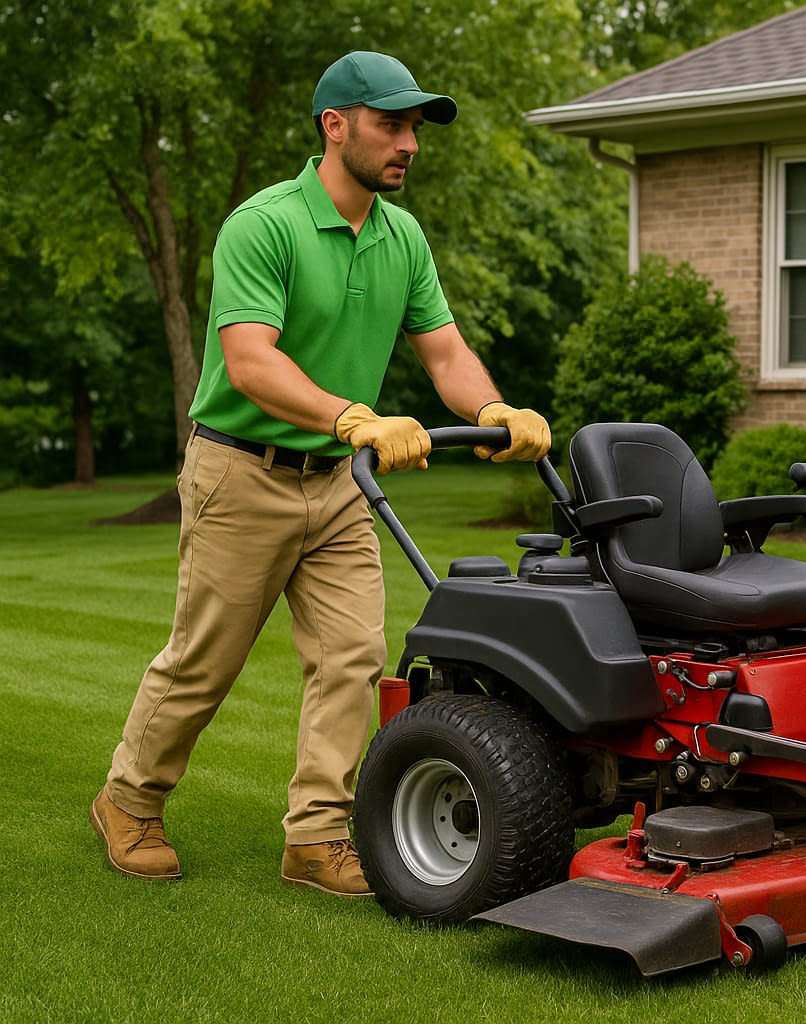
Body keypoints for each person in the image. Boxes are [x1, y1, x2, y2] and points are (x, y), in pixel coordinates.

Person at [89, 51, 550, 897]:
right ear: (335, 126)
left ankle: (317, 835)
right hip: (242, 471)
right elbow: (251, 361)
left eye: (415, 127)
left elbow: (444, 352)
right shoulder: (263, 225)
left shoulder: (401, 234)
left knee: (353, 656)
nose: (409, 141)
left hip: (339, 482)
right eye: (392, 124)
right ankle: (130, 800)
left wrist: (494, 410)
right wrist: (352, 416)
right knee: (204, 661)